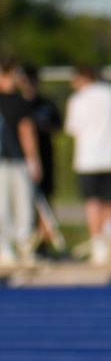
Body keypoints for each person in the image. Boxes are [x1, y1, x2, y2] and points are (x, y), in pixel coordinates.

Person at [64, 63, 111, 264]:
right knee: (110, 199)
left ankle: (99, 244)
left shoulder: (78, 99)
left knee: (93, 201)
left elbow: (72, 128)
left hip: (88, 158)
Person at [17, 64, 64, 257]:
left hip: (44, 157)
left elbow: (58, 126)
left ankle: (43, 243)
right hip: (18, 160)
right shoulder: (15, 102)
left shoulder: (45, 104)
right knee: (21, 202)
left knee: (44, 200)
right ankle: (23, 242)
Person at [0, 59, 42, 265]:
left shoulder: (20, 102)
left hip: (17, 160)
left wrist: (32, 159)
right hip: (6, 161)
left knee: (22, 205)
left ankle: (24, 245)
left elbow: (27, 131)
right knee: (4, 206)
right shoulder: (17, 102)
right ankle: (7, 247)